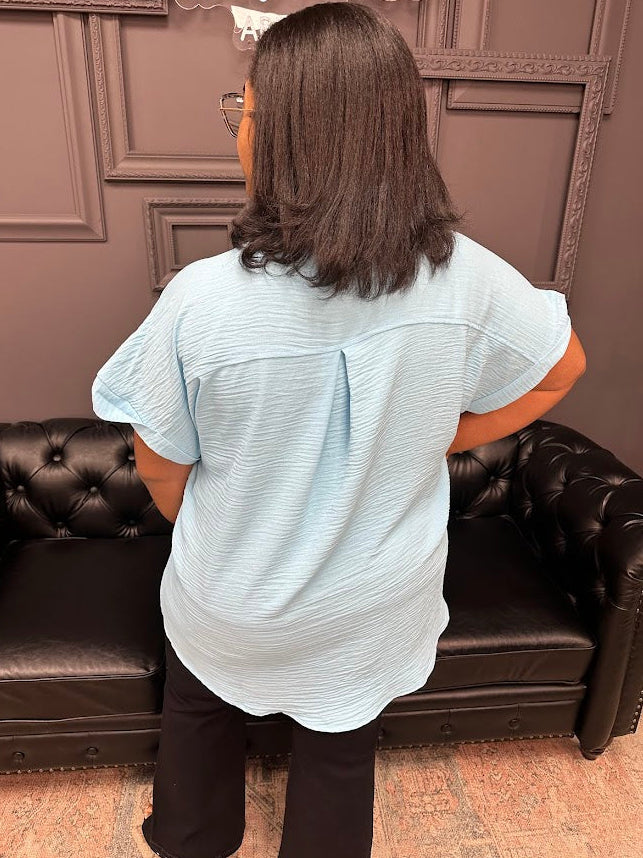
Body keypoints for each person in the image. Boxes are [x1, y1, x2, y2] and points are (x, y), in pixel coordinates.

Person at [90, 3, 587, 857]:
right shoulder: (465, 278)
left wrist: (225, 536)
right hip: (369, 608)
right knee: (341, 749)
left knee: (200, 711)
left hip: (234, 603)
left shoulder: (202, 301)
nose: (236, 130)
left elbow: (161, 467)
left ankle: (192, 835)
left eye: (243, 109)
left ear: (284, 134)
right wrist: (445, 435)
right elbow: (564, 365)